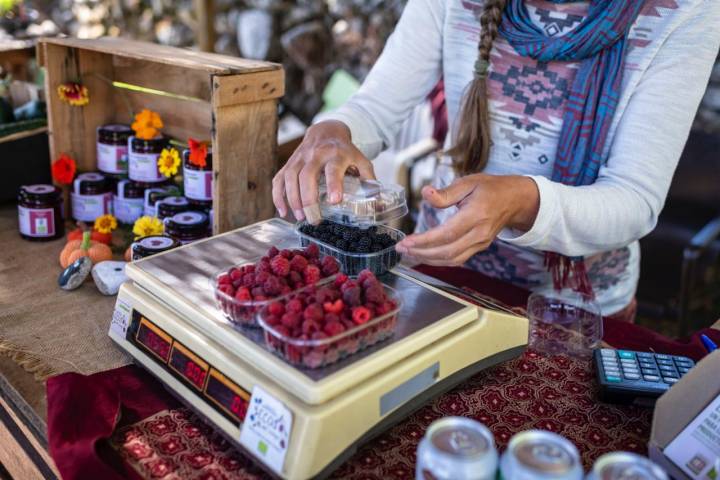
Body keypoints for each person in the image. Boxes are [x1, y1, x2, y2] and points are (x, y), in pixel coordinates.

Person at [273, 0, 720, 320]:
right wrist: (334, 131)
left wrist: (520, 200)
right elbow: (374, 106)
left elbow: (634, 201)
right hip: (442, 281)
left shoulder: (685, 11)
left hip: (576, 313)